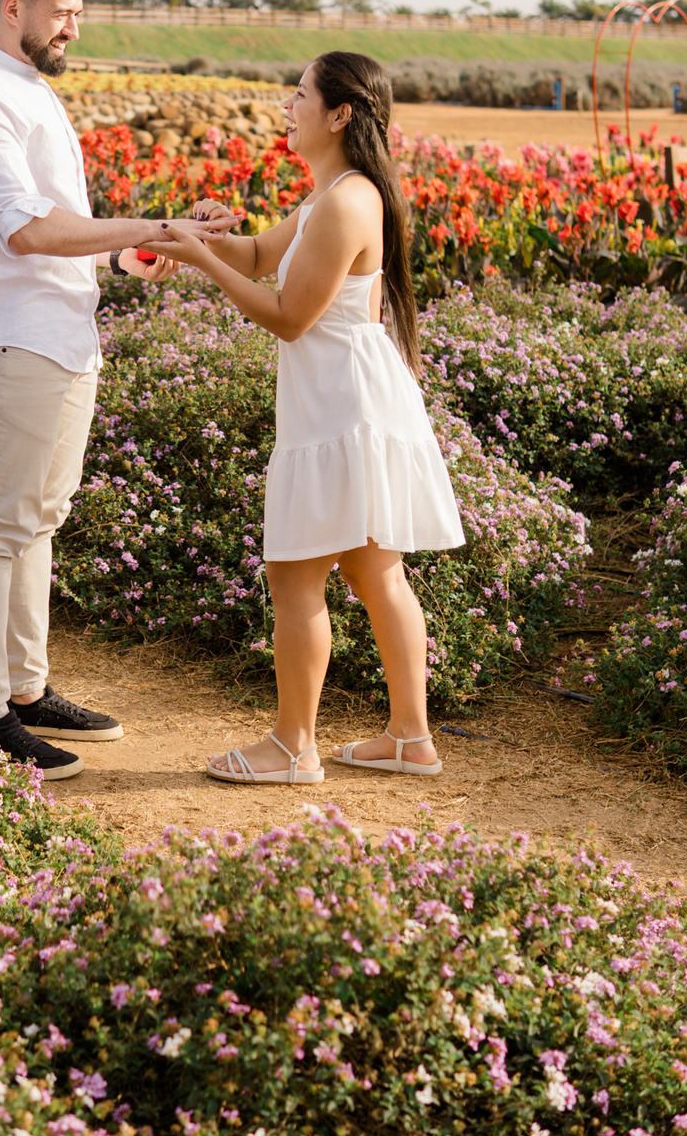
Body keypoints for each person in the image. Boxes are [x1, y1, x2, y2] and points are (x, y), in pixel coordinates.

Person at [0, 0, 227, 781]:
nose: (73, 32)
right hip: (12, 334)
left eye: (79, 16)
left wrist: (145, 250)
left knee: (40, 521)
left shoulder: (31, 90)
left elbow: (67, 234)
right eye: (63, 15)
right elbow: (24, 230)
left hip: (62, 335)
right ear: (13, 6)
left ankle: (25, 690)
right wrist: (151, 225)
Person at [158, 51, 464, 784]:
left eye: (298, 94)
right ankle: (409, 739)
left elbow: (289, 316)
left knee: (296, 577)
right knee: (374, 570)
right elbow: (262, 254)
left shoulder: (347, 200)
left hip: (341, 407)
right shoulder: (332, 194)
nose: (286, 106)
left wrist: (200, 263)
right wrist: (201, 236)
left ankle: (294, 747)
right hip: (342, 400)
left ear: (339, 115)